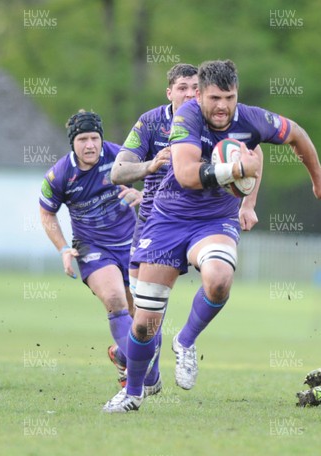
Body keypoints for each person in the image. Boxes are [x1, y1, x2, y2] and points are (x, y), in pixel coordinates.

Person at [103, 59, 321, 413]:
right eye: (215, 98)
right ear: (198, 95)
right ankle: (133, 392)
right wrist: (237, 169)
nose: (223, 106)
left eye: (229, 97)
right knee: (146, 323)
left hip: (214, 221)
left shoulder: (252, 119)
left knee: (219, 278)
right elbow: (184, 174)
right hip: (166, 219)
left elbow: (297, 134)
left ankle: (185, 341)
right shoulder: (184, 119)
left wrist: (318, 177)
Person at [39, 110, 149, 390]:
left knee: (142, 320)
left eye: (95, 138)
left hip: (131, 243)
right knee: (115, 299)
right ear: (72, 143)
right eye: (83, 139)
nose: (90, 145)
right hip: (92, 247)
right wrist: (63, 249)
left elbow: (157, 178)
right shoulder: (60, 175)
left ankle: (122, 356)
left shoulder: (121, 156)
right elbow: (46, 214)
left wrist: (143, 194)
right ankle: (134, 378)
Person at [108, 64, 199, 389]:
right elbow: (117, 172)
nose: (190, 94)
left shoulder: (211, 120)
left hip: (195, 222)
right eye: (183, 87)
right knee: (143, 307)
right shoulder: (150, 122)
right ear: (169, 92)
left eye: (195, 88)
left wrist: (245, 204)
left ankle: (152, 354)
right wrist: (150, 166)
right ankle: (149, 373)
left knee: (156, 303)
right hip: (150, 224)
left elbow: (249, 150)